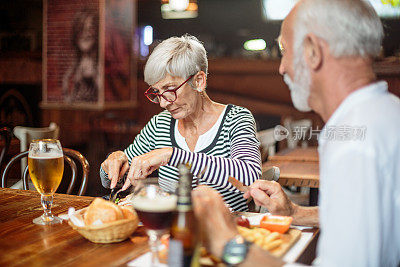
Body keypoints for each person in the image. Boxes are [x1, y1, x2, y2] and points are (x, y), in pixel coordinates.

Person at [192, 0, 400, 266]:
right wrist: (296, 212)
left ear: (313, 51)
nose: (281, 68)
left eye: (284, 50)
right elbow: (367, 215)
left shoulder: (356, 143)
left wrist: (228, 243)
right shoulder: (383, 113)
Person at [100, 35, 262, 212]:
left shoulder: (236, 118)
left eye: (170, 90)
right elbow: (119, 176)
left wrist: (171, 155)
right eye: (157, 92)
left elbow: (249, 176)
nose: (163, 103)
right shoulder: (160, 124)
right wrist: (112, 165)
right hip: (173, 230)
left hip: (226, 231)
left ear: (198, 81)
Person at [62, 8, 99, 103]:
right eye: (81, 29)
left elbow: (100, 86)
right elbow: (65, 79)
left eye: (90, 29)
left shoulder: (96, 62)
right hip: (78, 108)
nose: (85, 34)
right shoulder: (78, 61)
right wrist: (68, 99)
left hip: (90, 109)